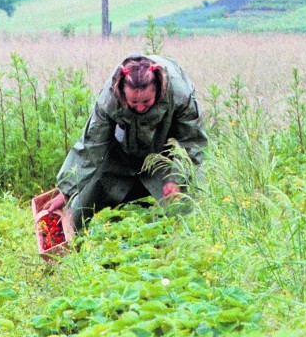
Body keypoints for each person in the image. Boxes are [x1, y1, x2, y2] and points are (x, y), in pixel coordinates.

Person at [46, 53, 208, 227]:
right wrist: (66, 191)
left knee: (186, 216)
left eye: (146, 101)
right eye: (134, 101)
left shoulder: (178, 92)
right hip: (121, 153)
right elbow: (92, 144)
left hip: (167, 154)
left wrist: (176, 179)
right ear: (123, 92)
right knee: (77, 215)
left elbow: (192, 142)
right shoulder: (109, 98)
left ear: (158, 90)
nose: (139, 107)